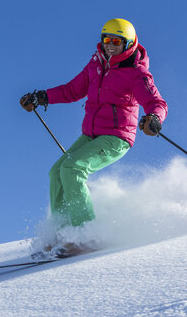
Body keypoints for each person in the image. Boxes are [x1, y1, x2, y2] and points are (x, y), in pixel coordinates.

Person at [20, 18, 168, 255]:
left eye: (117, 41)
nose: (110, 45)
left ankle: (87, 236)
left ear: (128, 44)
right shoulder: (96, 64)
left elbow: (156, 102)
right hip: (91, 134)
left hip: (117, 136)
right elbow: (72, 90)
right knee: (57, 172)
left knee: (73, 169)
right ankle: (62, 233)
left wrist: (155, 117)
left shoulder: (136, 72)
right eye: (107, 40)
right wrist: (42, 97)